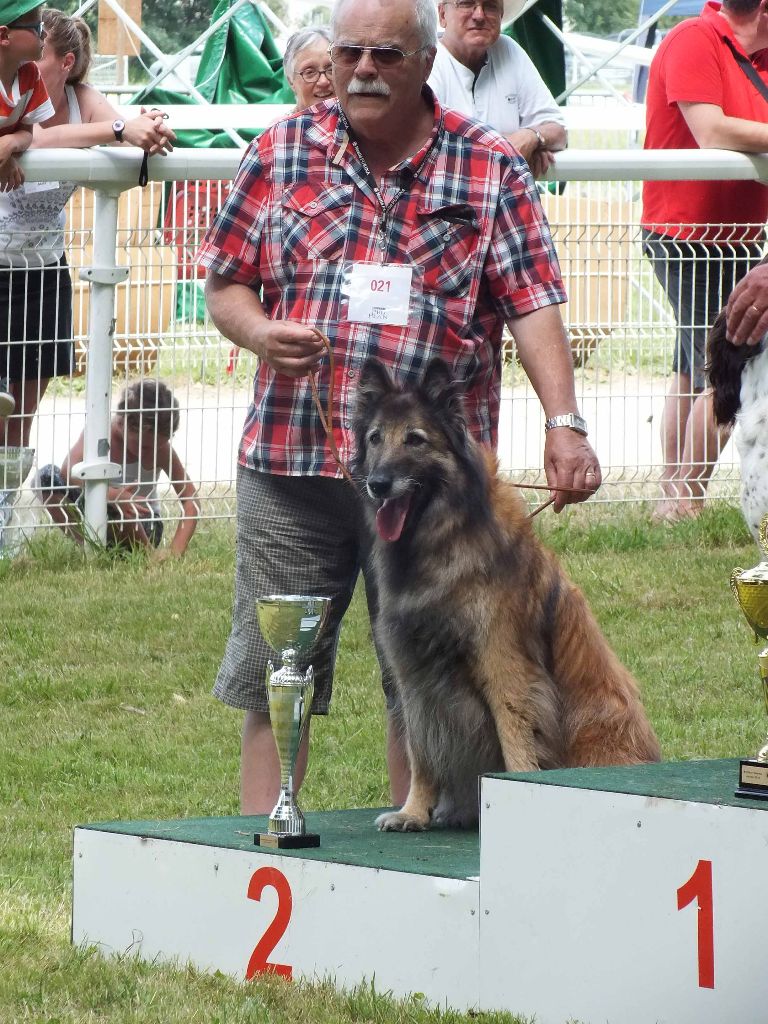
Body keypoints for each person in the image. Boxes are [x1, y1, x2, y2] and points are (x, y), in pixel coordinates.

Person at [198, 0, 600, 816]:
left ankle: (414, 852)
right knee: (277, 672)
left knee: (419, 675)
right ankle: (260, 852)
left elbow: (534, 303)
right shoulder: (279, 151)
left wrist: (564, 422)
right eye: (349, 54)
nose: (363, 71)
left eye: (385, 55)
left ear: (426, 64)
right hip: (294, 464)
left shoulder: (487, 164)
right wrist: (260, 331)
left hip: (433, 493)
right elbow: (225, 279)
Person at [0, 8, 175, 450]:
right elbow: (43, 137)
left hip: (42, 270)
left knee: (20, 416)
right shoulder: (14, 87)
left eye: (41, 49)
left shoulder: (83, 101)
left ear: (66, 64)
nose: (30, 57)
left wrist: (147, 127)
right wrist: (119, 129)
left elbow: (123, 131)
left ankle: (3, 509)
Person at [641, 0, 768, 523]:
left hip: (734, 237)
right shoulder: (694, 38)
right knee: (727, 368)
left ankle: (673, 494)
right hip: (689, 235)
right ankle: (684, 498)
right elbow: (711, 131)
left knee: (690, 368)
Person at [38, 379, 199, 557]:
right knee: (46, 477)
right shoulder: (100, 433)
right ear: (122, 423)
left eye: (158, 445)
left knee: (123, 510)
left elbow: (191, 499)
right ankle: (90, 547)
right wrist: (111, 495)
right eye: (143, 446)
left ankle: (148, 555)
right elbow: (68, 470)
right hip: (95, 509)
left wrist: (175, 550)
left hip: (143, 522)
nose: (150, 451)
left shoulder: (162, 450)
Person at [427, 0, 567, 178]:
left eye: (490, 6)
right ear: (442, 15)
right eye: (466, 4)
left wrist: (531, 137)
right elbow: (429, 145)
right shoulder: (427, 60)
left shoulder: (509, 50)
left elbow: (558, 131)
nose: (479, 15)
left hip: (502, 203)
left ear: (501, 16)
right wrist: (510, 149)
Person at [0, 0, 56, 416]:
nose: (44, 36)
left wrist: (12, 145)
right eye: (37, 28)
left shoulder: (30, 75)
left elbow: (30, 130)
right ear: (4, 36)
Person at [283, 26, 334, 110]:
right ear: (291, 81)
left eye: (331, 70)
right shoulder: (286, 123)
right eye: (310, 72)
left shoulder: (358, 121)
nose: (323, 81)